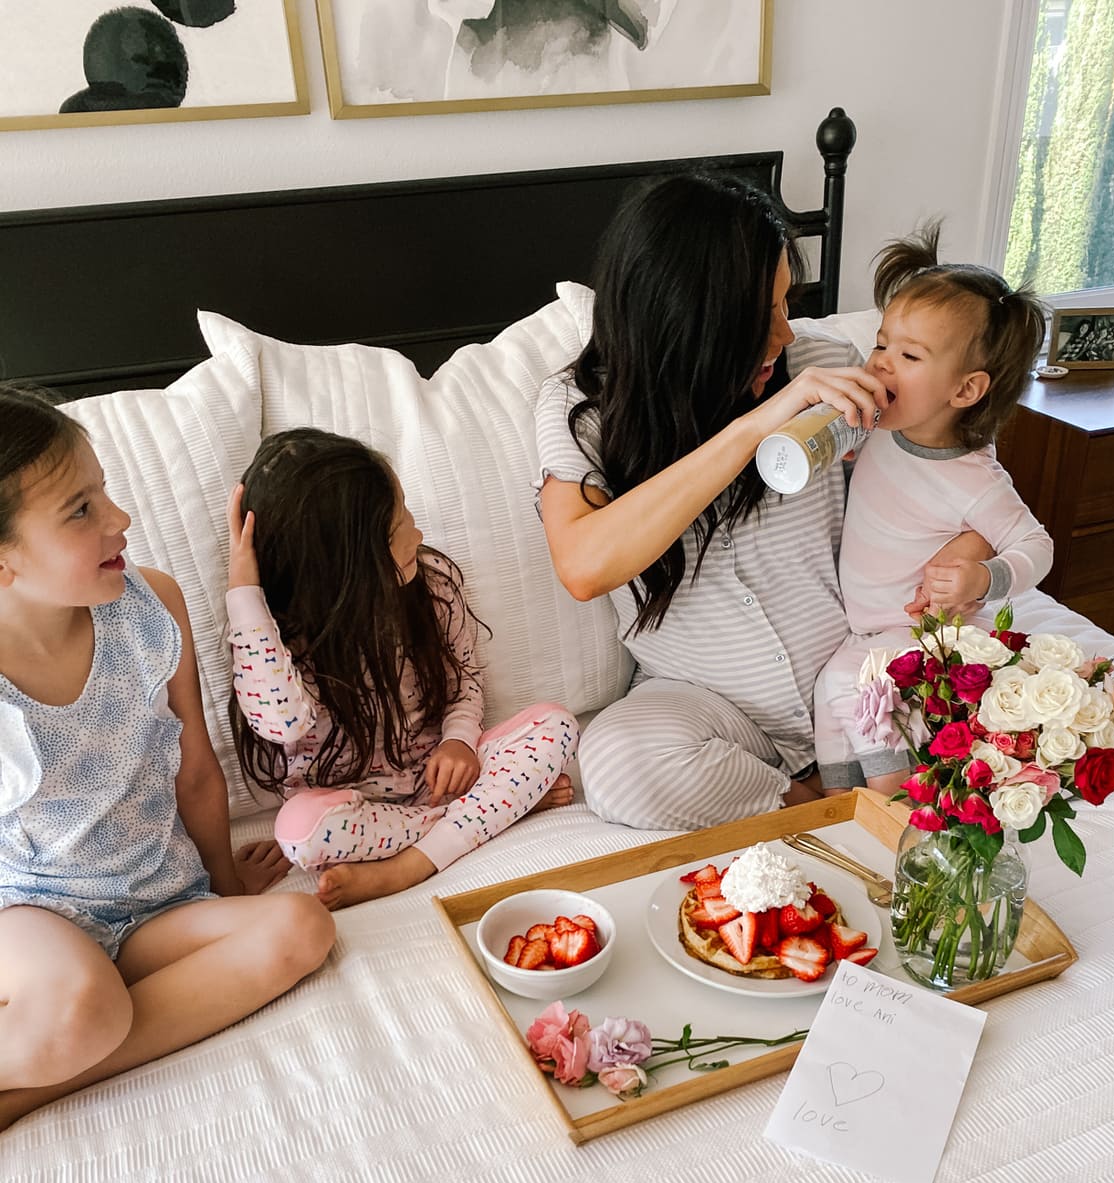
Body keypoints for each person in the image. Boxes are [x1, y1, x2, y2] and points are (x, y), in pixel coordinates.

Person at [0, 387, 335, 1133]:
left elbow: (194, 769)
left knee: (299, 929)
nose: (119, 518)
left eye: (104, 491)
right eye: (79, 510)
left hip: (159, 903)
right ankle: (76, 1016)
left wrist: (223, 889)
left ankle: (35, 1087)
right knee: (80, 1003)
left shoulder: (150, 605)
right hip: (33, 914)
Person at [535, 172, 898, 831]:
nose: (786, 336)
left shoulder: (822, 369)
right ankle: (814, 807)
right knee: (618, 761)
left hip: (851, 679)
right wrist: (752, 429)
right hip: (715, 712)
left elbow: (919, 488)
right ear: (686, 318)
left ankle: (857, 777)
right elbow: (584, 566)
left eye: (789, 306)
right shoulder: (585, 414)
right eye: (763, 319)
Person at [227, 428, 579, 910]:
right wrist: (244, 596)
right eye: (398, 530)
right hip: (357, 814)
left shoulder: (431, 589)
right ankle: (484, 817)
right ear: (345, 568)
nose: (416, 533)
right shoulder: (276, 640)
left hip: (445, 781)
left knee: (556, 724)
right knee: (298, 832)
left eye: (407, 512)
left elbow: (464, 683)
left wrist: (458, 740)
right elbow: (280, 721)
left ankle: (409, 867)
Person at [812, 223, 1053, 795]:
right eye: (880, 343)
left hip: (921, 636)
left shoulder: (973, 477)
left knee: (855, 689)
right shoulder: (876, 427)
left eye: (910, 354)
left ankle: (902, 801)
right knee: (831, 696)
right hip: (866, 629)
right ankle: (840, 806)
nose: (882, 364)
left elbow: (1037, 546)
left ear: (966, 391)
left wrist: (984, 575)